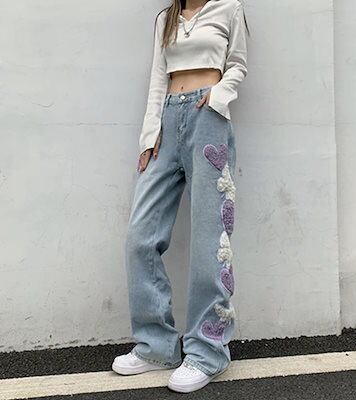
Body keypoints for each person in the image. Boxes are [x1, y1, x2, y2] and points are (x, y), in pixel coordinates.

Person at [112, 0, 249, 393]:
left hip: (209, 120)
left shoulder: (228, 9)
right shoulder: (166, 18)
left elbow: (238, 64)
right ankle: (157, 345)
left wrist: (219, 96)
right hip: (167, 123)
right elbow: (158, 80)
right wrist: (149, 136)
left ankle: (208, 351)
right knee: (140, 237)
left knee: (209, 241)